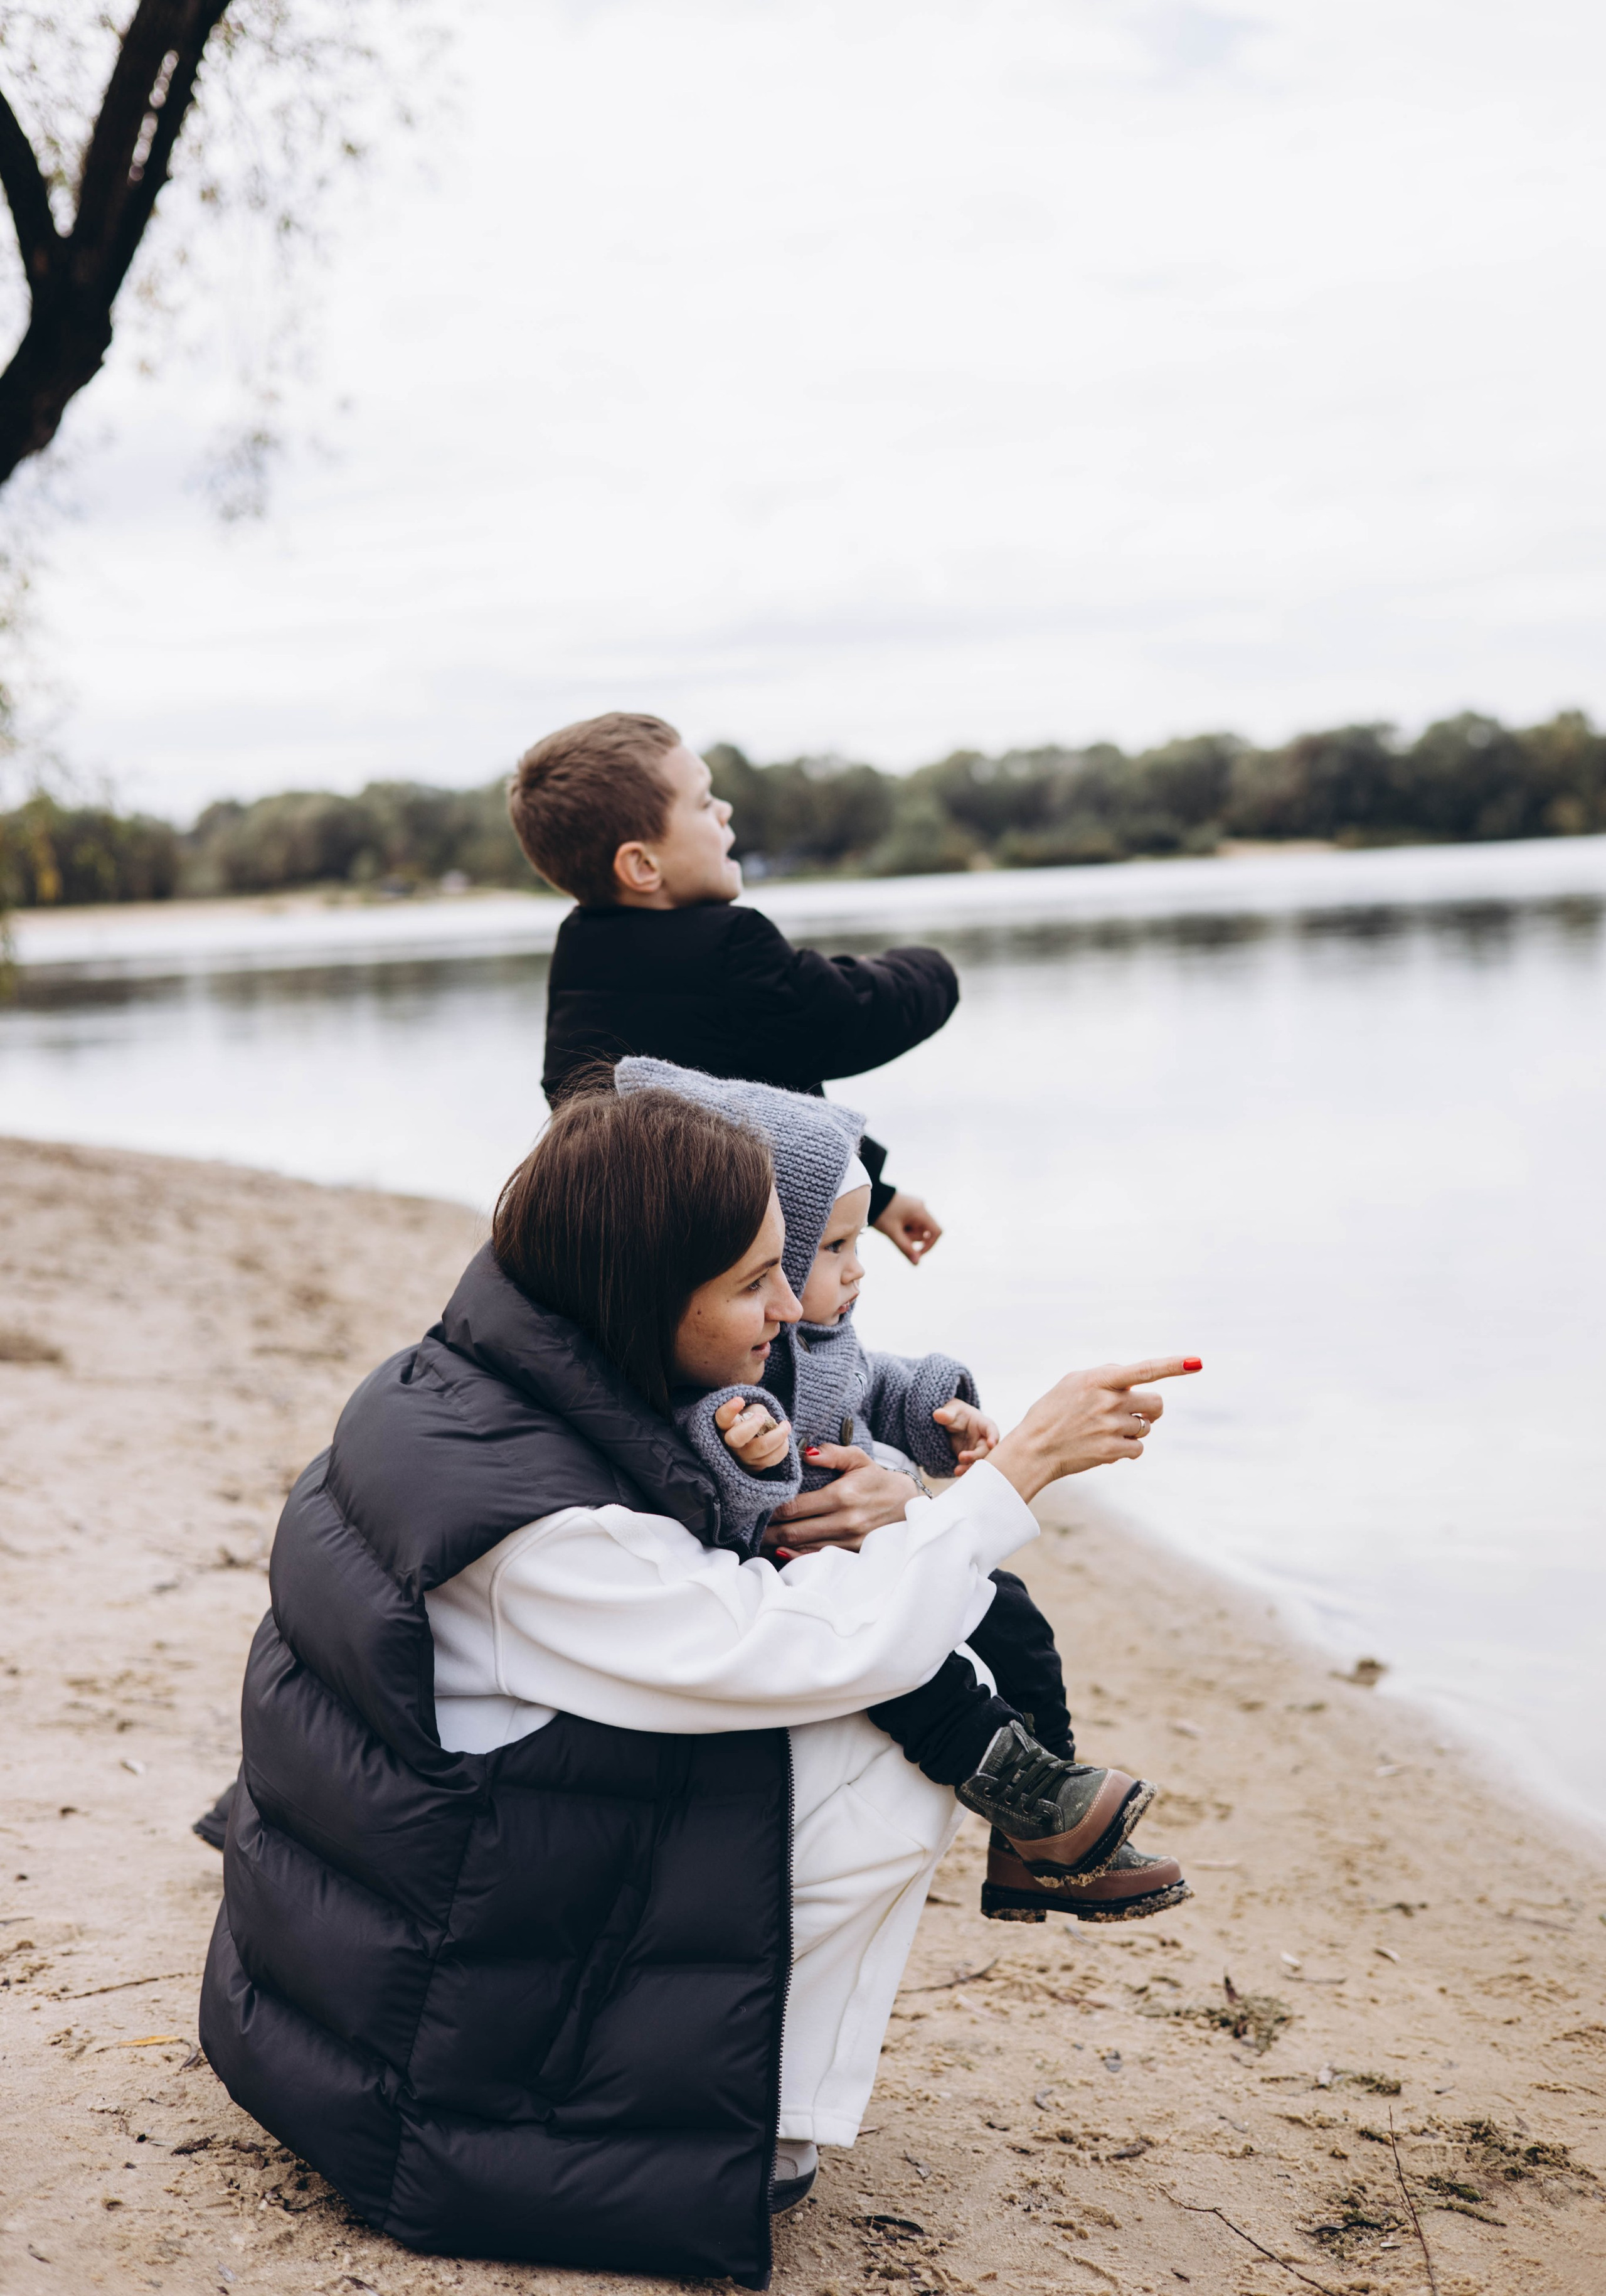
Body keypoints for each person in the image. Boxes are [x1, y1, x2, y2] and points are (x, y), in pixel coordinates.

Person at [200, 1081, 1198, 2285]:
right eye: (751, 1284)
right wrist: (1012, 1476)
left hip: (399, 1928)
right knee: (901, 1731)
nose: (792, 1307)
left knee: (912, 1667)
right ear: (638, 1291)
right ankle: (755, 2132)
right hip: (442, 2037)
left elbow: (744, 1573)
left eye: (793, 1263)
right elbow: (809, 1648)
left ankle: (749, 2092)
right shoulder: (543, 1537)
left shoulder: (482, 1382)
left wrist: (890, 1499)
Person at [618, 1055, 1193, 1926]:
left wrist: (937, 1408)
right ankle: (1026, 1797)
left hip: (874, 1541)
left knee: (1013, 1621)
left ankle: (1037, 1833)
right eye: (835, 1248)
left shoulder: (822, 1326)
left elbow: (870, 1381)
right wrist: (751, 1442)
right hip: (798, 1567)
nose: (857, 1271)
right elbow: (703, 1427)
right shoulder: (730, 1342)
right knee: (920, 1675)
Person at [509, 709, 957, 1263]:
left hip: (635, 1253)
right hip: (749, 1259)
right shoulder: (733, 947)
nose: (724, 809)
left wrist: (881, 1196)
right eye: (702, 801)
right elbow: (854, 1017)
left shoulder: (579, 952)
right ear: (642, 865)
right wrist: (933, 967)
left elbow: (758, 1093)